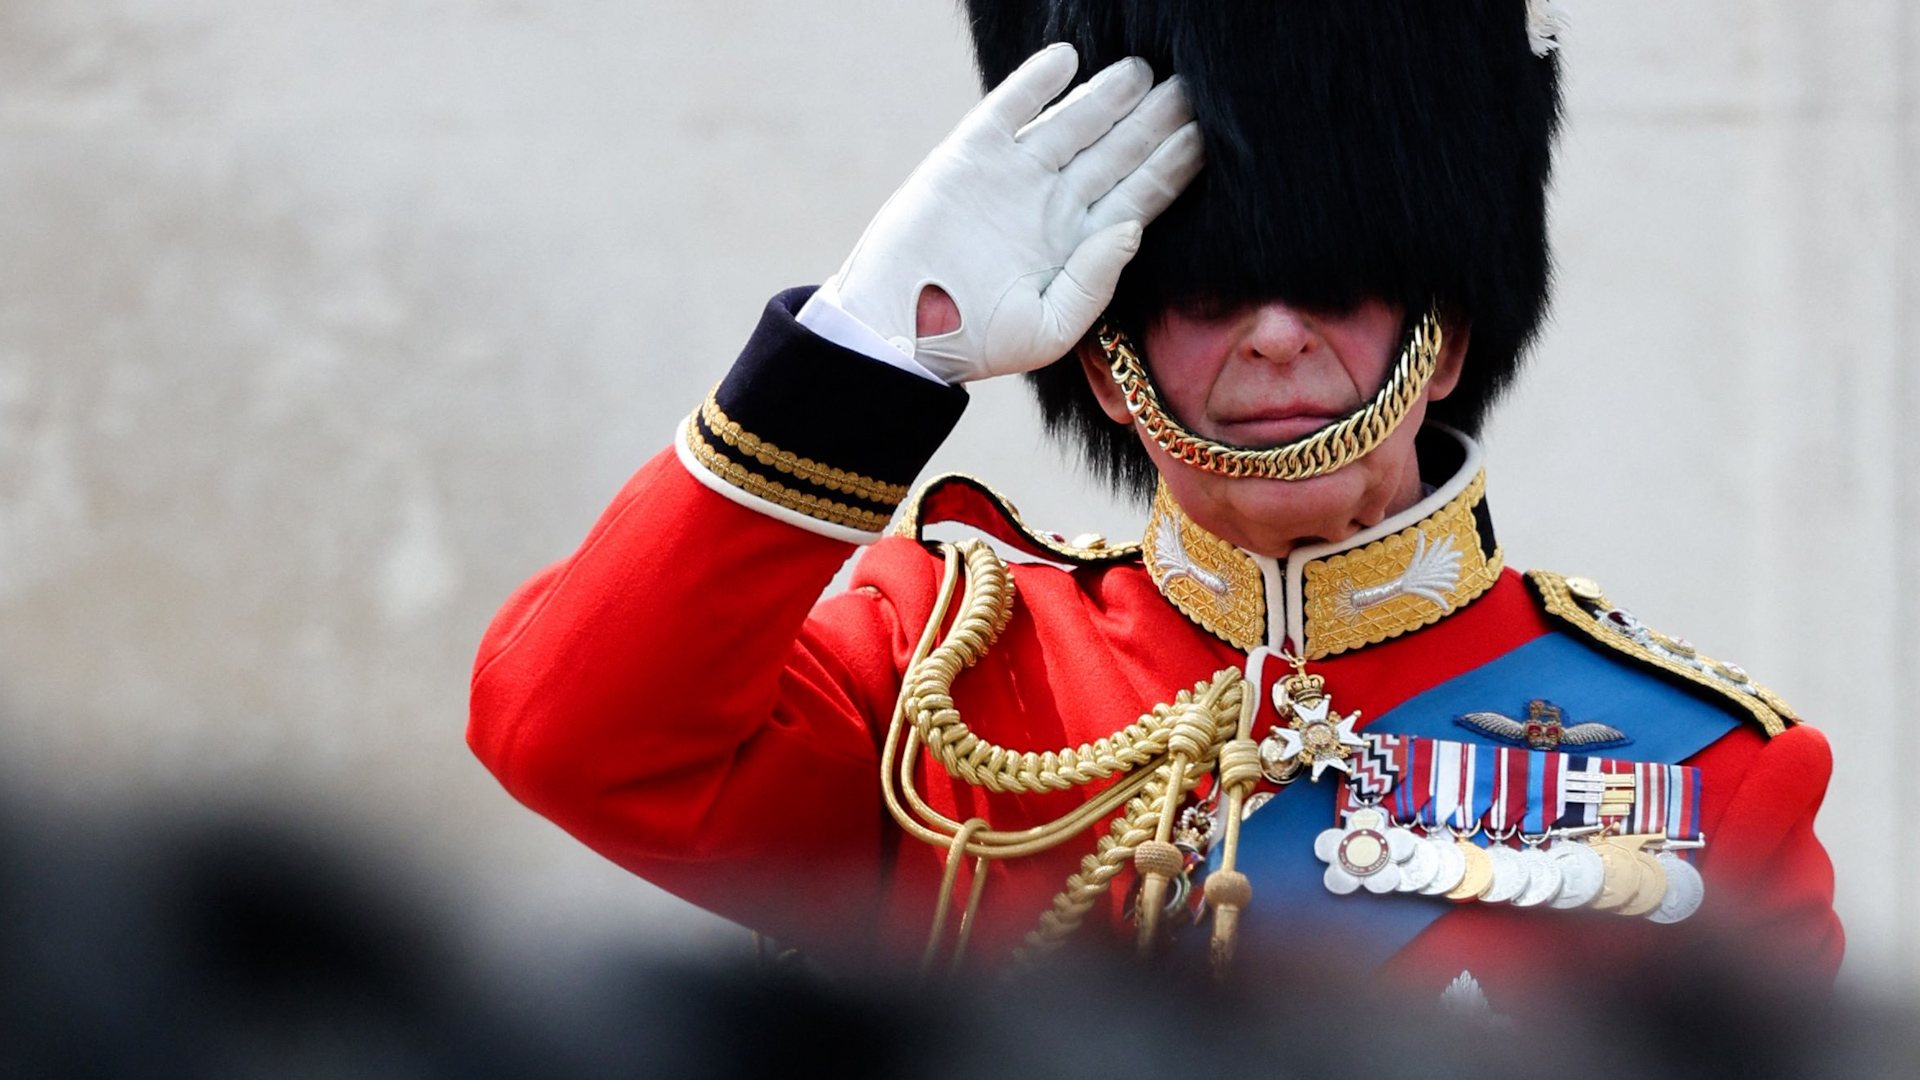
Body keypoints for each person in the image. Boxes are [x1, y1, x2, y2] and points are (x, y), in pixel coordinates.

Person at [468, 1, 1842, 1003]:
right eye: (1204, 294)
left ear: (1451, 339)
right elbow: (573, 735)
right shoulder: (942, 665)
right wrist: (871, 346)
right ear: (1108, 367)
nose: (1277, 336)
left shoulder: (1705, 771)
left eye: (1341, 286)